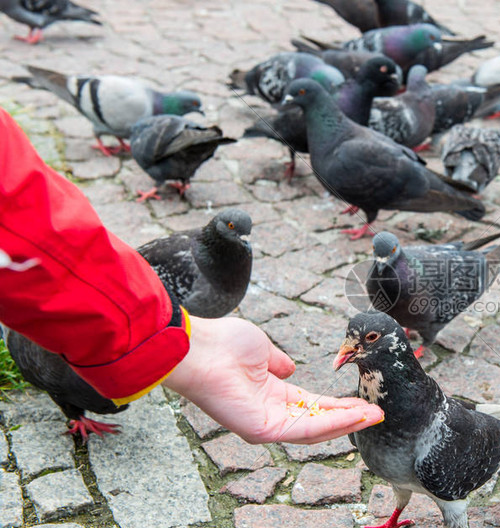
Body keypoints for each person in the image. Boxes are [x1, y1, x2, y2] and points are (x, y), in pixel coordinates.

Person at [0, 106, 383, 444]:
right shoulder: (191, 267)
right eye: (234, 232)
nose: (243, 241)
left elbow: (24, 218)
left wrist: (187, 345)